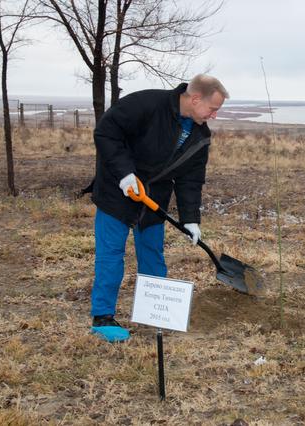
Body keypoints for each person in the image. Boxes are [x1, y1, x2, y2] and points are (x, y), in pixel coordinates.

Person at [89, 74, 228, 342]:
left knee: (152, 253)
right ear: (196, 98)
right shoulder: (146, 104)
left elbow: (191, 179)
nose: (213, 115)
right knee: (111, 254)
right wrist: (125, 173)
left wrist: (190, 219)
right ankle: (102, 317)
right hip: (117, 190)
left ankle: (156, 313)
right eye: (213, 109)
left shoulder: (200, 135)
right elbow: (106, 132)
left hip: (154, 197)